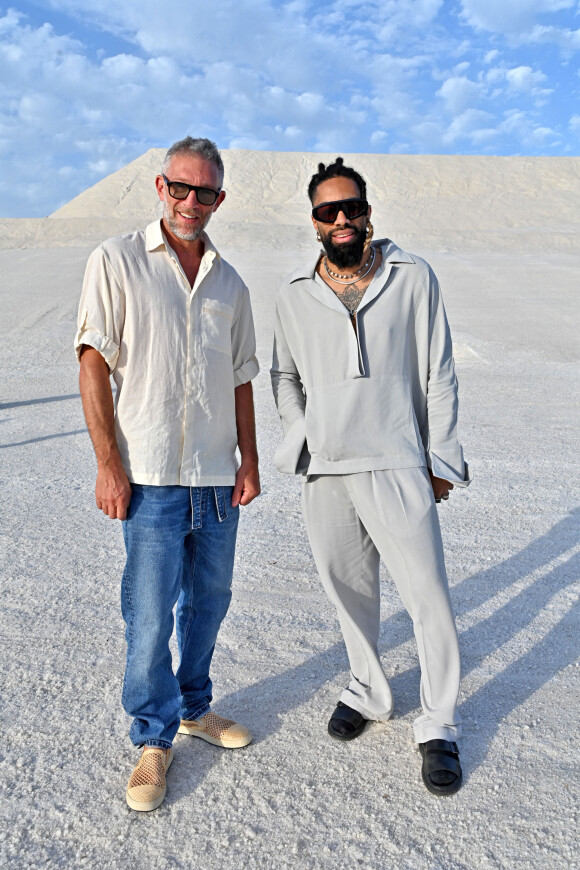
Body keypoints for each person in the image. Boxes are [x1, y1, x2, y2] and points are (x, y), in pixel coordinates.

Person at [271, 157, 470, 796]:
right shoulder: (294, 293)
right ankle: (370, 688)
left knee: (428, 596)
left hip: (396, 458)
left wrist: (439, 458)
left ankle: (438, 722)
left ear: (367, 211)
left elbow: (437, 369)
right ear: (314, 222)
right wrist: (303, 433)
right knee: (346, 589)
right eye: (328, 211)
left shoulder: (412, 277)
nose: (341, 219)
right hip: (327, 467)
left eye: (351, 207)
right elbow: (284, 376)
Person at [75, 136, 260, 812]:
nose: (190, 202)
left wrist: (250, 460)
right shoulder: (118, 261)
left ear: (219, 198)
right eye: (179, 188)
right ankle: (153, 739)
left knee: (209, 605)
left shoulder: (230, 282)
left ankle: (193, 707)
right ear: (160, 188)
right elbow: (93, 361)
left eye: (204, 192)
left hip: (216, 479)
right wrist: (108, 465)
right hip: (148, 474)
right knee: (150, 614)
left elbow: (241, 378)